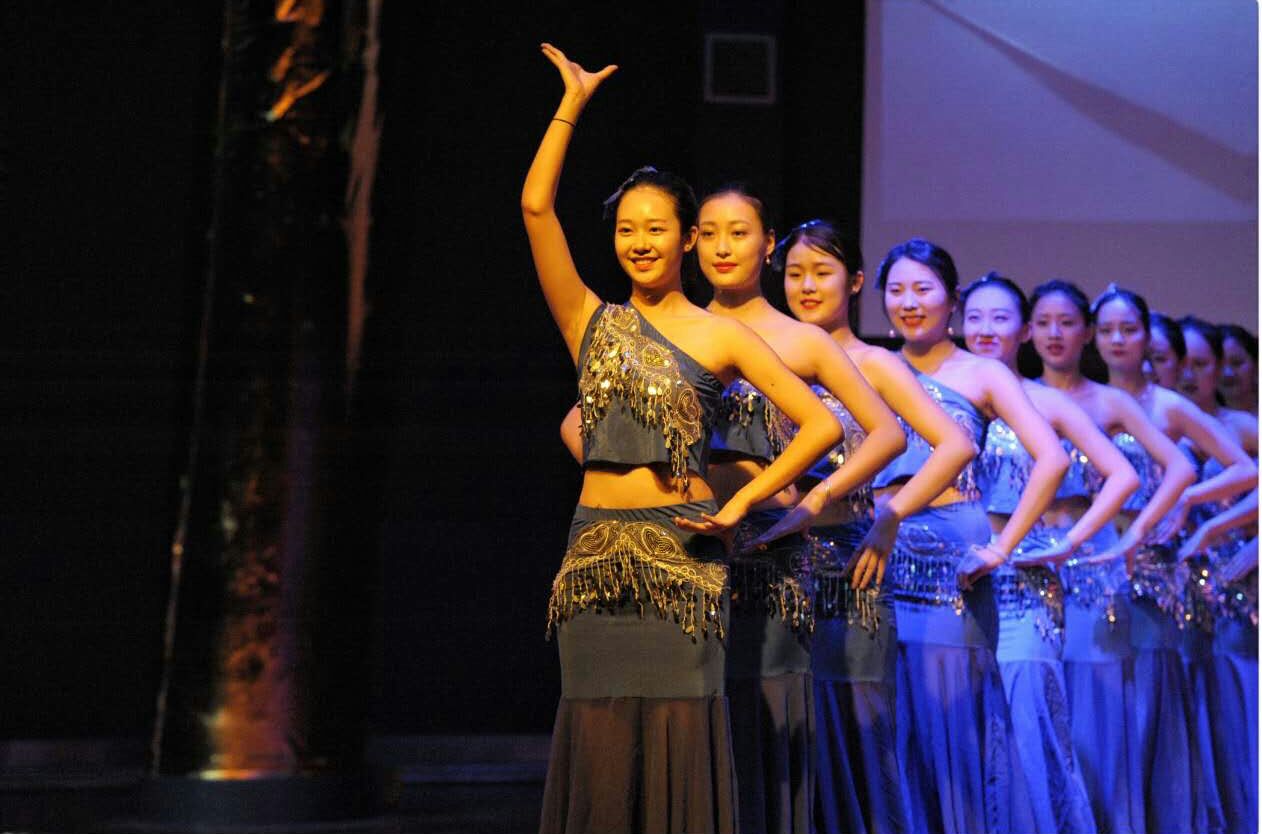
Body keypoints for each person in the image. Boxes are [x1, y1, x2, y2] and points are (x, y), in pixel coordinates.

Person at [522, 45, 842, 834]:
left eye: (656, 228)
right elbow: (535, 209)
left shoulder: (718, 335)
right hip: (593, 555)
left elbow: (823, 424)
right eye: (626, 229)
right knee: (597, 731)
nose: (640, 241)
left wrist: (743, 505)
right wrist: (570, 106)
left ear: (687, 238)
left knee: (680, 728)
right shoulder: (587, 318)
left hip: (682, 553)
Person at [751, 218, 976, 834]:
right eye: (795, 273)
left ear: (853, 282)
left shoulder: (873, 363)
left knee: (856, 728)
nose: (806, 286)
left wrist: (890, 517)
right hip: (772, 569)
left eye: (822, 273)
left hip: (849, 570)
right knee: (786, 729)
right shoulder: (766, 355)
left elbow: (955, 444)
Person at [872, 238, 1068, 834]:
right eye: (896, 290)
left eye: (922, 288)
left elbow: (1052, 458)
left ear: (951, 300)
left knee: (951, 730)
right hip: (877, 557)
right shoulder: (874, 367)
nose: (909, 302)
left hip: (951, 571)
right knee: (888, 728)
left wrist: (1002, 548)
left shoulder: (981, 373)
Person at [961, 272, 1140, 834]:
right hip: (956, 580)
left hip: (1024, 583)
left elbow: (1122, 475)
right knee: (973, 728)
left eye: (1001, 318)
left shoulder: (1045, 403)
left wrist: (1070, 541)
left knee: (1031, 724)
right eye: (974, 317)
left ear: (1023, 332)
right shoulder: (944, 399)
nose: (985, 329)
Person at [1028, 279, 1197, 834]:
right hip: (1029, 565)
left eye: (1068, 323)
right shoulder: (1017, 394)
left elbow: (1180, 468)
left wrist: (1136, 534)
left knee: (1095, 708)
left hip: (1093, 568)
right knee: (1039, 701)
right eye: (1043, 322)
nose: (1055, 333)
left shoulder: (1110, 401)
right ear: (1029, 330)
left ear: (1086, 334)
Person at [1174, 315, 1259, 834]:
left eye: (1204, 365)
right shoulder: (1165, 422)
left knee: (1235, 704)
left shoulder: (1241, 427)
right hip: (1176, 585)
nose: (1191, 376)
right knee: (1188, 702)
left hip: (1232, 585)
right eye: (1183, 364)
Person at [1217, 324, 1258, 414]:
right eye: (1219, 364)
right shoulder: (1198, 418)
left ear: (1256, 365)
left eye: (1236, 363)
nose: (1227, 373)